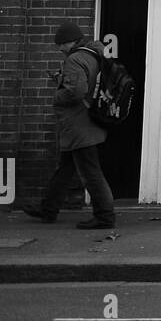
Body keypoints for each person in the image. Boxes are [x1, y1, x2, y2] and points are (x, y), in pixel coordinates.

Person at [23, 22, 115, 229]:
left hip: (79, 124)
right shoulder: (93, 55)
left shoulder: (74, 59)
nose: (59, 49)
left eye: (61, 44)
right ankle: (48, 208)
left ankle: (105, 216)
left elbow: (76, 92)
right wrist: (62, 79)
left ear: (71, 42)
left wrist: (57, 95)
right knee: (65, 168)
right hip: (89, 121)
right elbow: (86, 82)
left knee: (91, 174)